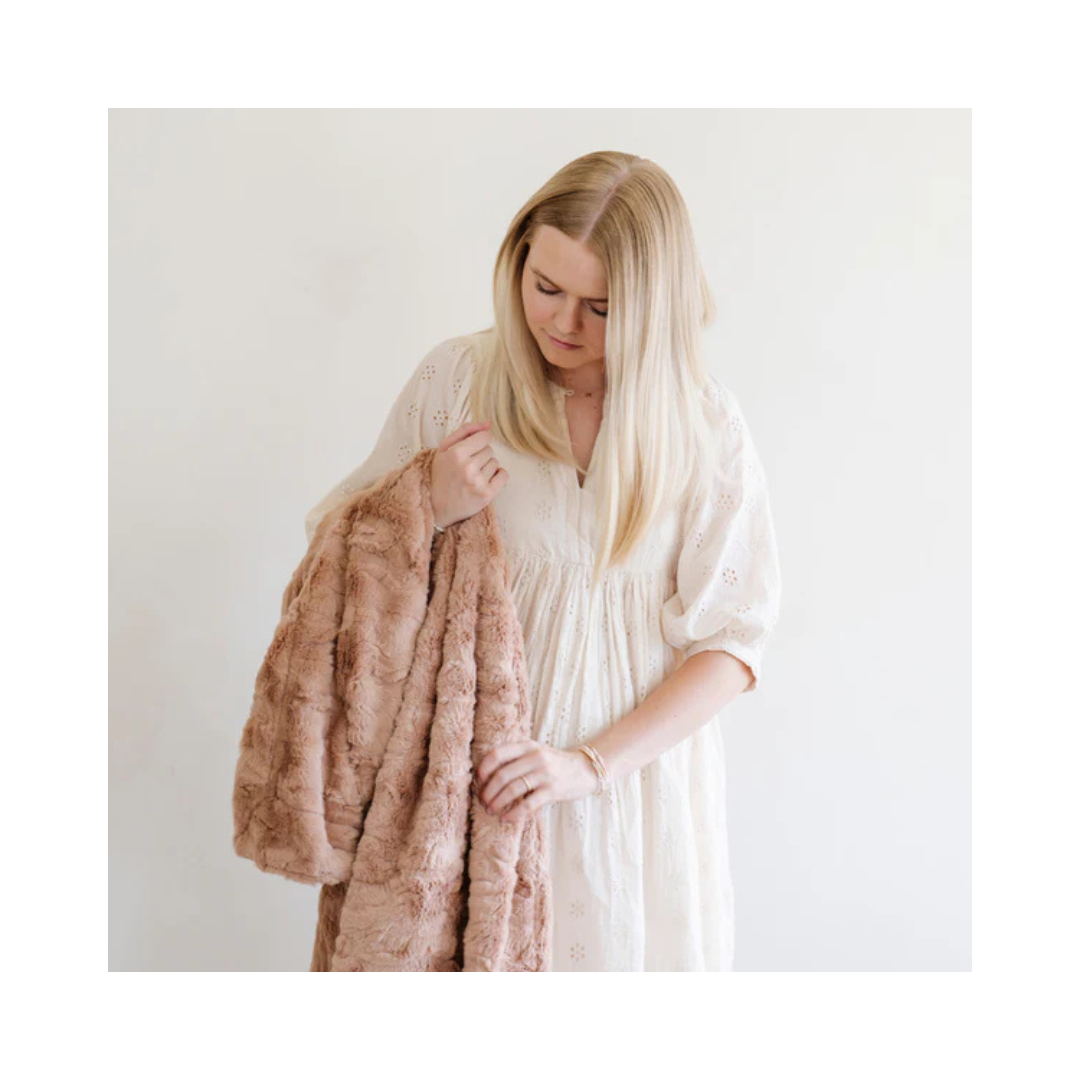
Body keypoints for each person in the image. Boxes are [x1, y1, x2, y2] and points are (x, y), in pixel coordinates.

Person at [303, 151, 782, 971]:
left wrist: (585, 767)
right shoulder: (460, 381)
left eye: (601, 306)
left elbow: (734, 646)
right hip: (466, 787)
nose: (561, 323)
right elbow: (331, 562)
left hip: (633, 799)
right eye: (545, 286)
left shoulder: (702, 423)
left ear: (655, 306)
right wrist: (427, 501)